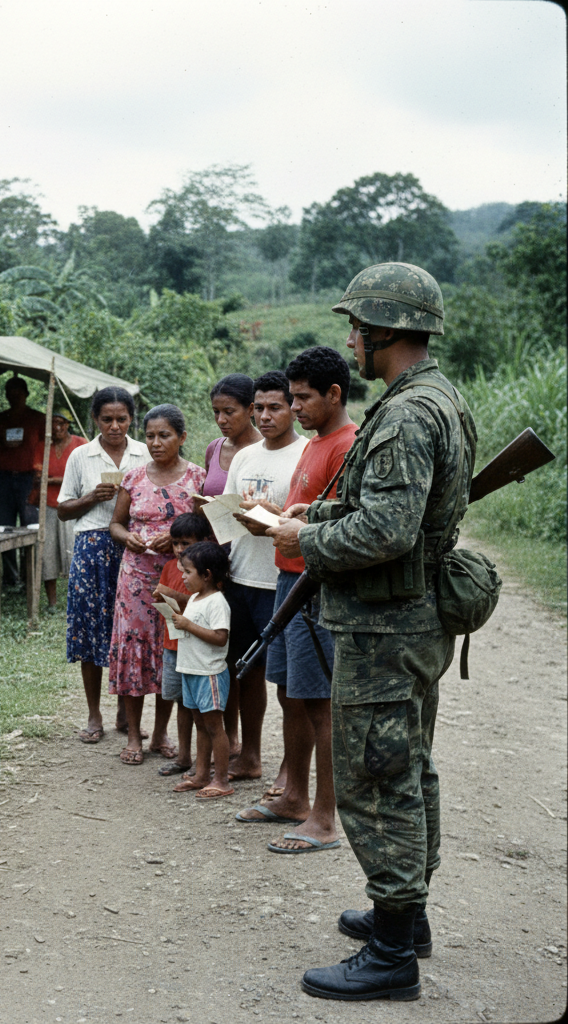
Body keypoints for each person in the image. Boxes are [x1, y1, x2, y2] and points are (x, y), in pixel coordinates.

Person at [267, 263, 473, 1001]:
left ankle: (391, 956)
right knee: (409, 766)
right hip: (408, 618)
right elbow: (374, 503)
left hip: (388, 624)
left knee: (380, 778)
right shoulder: (431, 398)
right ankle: (405, 917)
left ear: (388, 329)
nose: (350, 338)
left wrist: (306, 539)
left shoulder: (411, 412)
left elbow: (385, 529)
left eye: (357, 325)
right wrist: (313, 520)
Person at [235, 347, 356, 857]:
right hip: (288, 580)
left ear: (333, 395)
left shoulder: (346, 445)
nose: (294, 406)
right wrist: (274, 514)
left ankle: (325, 817)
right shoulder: (314, 445)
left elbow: (349, 525)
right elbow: (312, 513)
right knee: (291, 694)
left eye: (303, 398)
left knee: (320, 703)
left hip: (316, 586)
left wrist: (295, 525)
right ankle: (294, 796)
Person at [222, 372, 308, 787]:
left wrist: (271, 515)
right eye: (260, 408)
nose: (266, 415)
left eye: (276, 407)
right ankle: (250, 755)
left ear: (293, 407)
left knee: (290, 683)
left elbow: (307, 522)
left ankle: (290, 768)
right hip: (242, 575)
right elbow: (232, 516)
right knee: (245, 673)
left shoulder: (306, 454)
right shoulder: (244, 457)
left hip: (284, 581)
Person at [108, 404, 206, 764]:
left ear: (181, 437)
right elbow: (115, 524)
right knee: (134, 652)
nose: (155, 442)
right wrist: (127, 538)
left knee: (170, 653)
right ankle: (134, 735)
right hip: (135, 579)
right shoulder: (133, 478)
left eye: (164, 435)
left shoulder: (197, 478)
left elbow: (207, 529)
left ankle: (161, 734)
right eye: (149, 436)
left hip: (179, 578)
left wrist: (176, 536)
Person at [58, 387, 149, 742]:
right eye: (107, 419)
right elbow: (63, 509)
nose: (115, 426)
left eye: (122, 419)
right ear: (96, 419)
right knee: (91, 629)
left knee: (129, 631)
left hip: (132, 545)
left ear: (131, 419)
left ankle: (127, 714)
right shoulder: (81, 455)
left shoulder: (144, 452)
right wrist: (91, 497)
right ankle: (94, 715)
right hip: (92, 546)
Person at [201, 373, 263, 777]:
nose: (222, 420)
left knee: (247, 662)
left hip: (250, 564)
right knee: (219, 659)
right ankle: (228, 739)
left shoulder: (263, 449)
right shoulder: (214, 449)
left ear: (251, 409)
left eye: (230, 411)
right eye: (216, 413)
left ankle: (247, 747)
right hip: (216, 565)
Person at [168, 541, 234, 799]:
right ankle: (202, 774)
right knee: (200, 723)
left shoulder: (217, 602)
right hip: (191, 670)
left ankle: (222, 779)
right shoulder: (195, 598)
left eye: (187, 572)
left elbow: (220, 638)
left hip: (209, 673)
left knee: (214, 726)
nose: (182, 577)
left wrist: (187, 625)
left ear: (206, 575)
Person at [151, 512, 215, 778]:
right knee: (180, 701)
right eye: (176, 543)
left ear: (203, 542)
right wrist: (164, 600)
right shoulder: (168, 568)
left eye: (185, 544)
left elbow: (202, 605)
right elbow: (170, 609)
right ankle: (183, 757)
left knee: (199, 706)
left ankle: (203, 762)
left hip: (197, 647)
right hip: (173, 644)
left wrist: (170, 595)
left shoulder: (206, 575)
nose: (179, 550)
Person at [0, 375, 46, 588]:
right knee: (4, 527)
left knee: (31, 528)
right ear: (6, 396)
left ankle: (31, 579)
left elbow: (49, 445)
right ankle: (11, 580)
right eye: (10, 394)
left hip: (30, 478)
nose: (14, 398)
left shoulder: (38, 418)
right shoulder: (1, 418)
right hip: (6, 479)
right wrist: (2, 445)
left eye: (18, 394)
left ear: (26, 395)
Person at [29, 409, 86, 613]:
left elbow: (82, 477)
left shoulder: (81, 444)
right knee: (47, 552)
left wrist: (52, 480)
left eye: (61, 423)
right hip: (48, 504)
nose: (57, 428)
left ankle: (78, 601)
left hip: (74, 505)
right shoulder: (42, 446)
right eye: (53, 424)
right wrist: (56, 480)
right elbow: (38, 477)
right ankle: (52, 603)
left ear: (68, 425)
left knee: (75, 552)